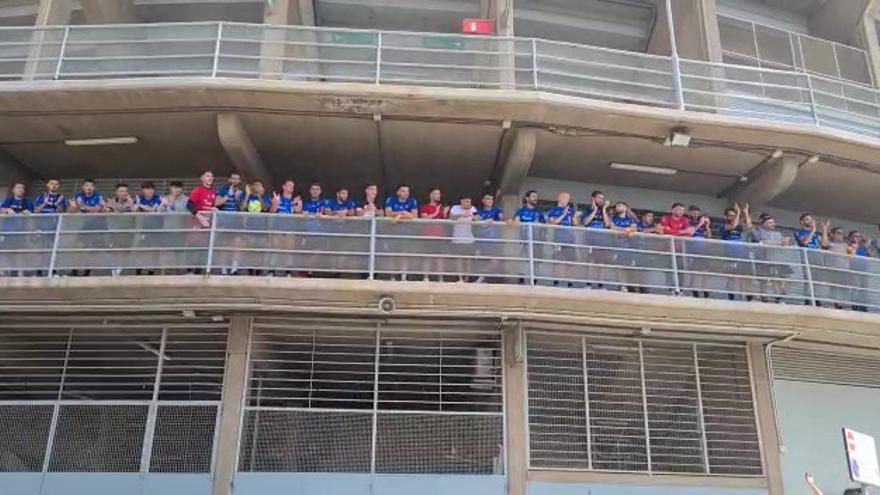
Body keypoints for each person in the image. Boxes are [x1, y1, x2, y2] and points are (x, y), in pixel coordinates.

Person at [748, 214, 792, 303]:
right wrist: (780, 242)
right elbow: (764, 242)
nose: (773, 224)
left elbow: (783, 244)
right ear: (763, 224)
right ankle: (765, 298)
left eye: (773, 222)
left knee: (780, 279)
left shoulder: (778, 233)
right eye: (770, 222)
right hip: (763, 259)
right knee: (763, 280)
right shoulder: (759, 231)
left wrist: (786, 241)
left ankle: (779, 298)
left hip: (777, 259)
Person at [383, 185, 419, 280]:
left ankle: (404, 275)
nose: (405, 193)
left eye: (407, 191)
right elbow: (388, 213)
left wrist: (400, 214)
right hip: (392, 231)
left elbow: (415, 215)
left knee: (404, 254)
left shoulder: (412, 201)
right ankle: (392, 276)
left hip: (406, 232)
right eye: (403, 191)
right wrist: (404, 213)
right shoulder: (391, 199)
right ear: (398, 192)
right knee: (391, 254)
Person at [720, 203, 754, 301]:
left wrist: (746, 212)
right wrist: (738, 212)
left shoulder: (739, 227)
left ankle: (747, 296)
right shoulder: (724, 226)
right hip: (730, 254)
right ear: (726, 216)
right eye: (730, 215)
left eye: (733, 216)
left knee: (745, 276)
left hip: (742, 254)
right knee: (731, 277)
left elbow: (749, 226)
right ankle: (731, 297)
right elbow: (733, 224)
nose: (732, 217)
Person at [608, 201, 640, 292]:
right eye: (617, 206)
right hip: (617, 245)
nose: (618, 207)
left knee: (630, 266)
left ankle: (633, 286)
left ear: (625, 208)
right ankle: (623, 285)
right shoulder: (613, 218)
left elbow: (634, 228)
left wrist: (628, 230)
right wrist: (625, 230)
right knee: (619, 267)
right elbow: (612, 227)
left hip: (629, 246)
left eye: (620, 205)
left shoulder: (630, 219)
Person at [547, 192, 577, 287]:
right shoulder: (553, 210)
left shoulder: (571, 211)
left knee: (571, 261)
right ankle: (556, 281)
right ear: (559, 198)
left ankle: (570, 282)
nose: (567, 200)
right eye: (565, 198)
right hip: (558, 239)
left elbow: (576, 224)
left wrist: (572, 216)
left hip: (570, 240)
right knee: (557, 261)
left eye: (568, 198)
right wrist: (564, 214)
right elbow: (553, 222)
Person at [473, 192, 503, 283]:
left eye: (491, 199)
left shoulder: (496, 210)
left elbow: (502, 218)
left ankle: (482, 278)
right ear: (483, 200)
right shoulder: (478, 211)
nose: (489, 201)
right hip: (480, 240)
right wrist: (482, 220)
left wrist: (493, 220)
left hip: (493, 241)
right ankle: (479, 279)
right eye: (487, 198)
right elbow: (474, 218)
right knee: (480, 261)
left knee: (495, 262)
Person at [418, 187, 447, 281]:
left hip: (440, 236)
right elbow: (424, 219)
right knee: (427, 257)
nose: (438, 196)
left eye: (439, 194)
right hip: (428, 235)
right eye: (436, 193)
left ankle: (440, 278)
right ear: (430, 195)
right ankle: (426, 277)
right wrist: (436, 212)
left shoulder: (441, 208)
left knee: (440, 258)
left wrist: (445, 214)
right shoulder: (425, 207)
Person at [448, 195, 478, 282]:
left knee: (468, 259)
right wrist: (462, 215)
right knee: (459, 259)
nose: (468, 203)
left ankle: (467, 278)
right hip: (457, 238)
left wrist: (476, 218)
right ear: (462, 201)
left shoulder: (473, 209)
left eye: (469, 202)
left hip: (469, 238)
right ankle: (460, 278)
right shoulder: (455, 208)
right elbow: (451, 217)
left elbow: (477, 217)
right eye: (466, 201)